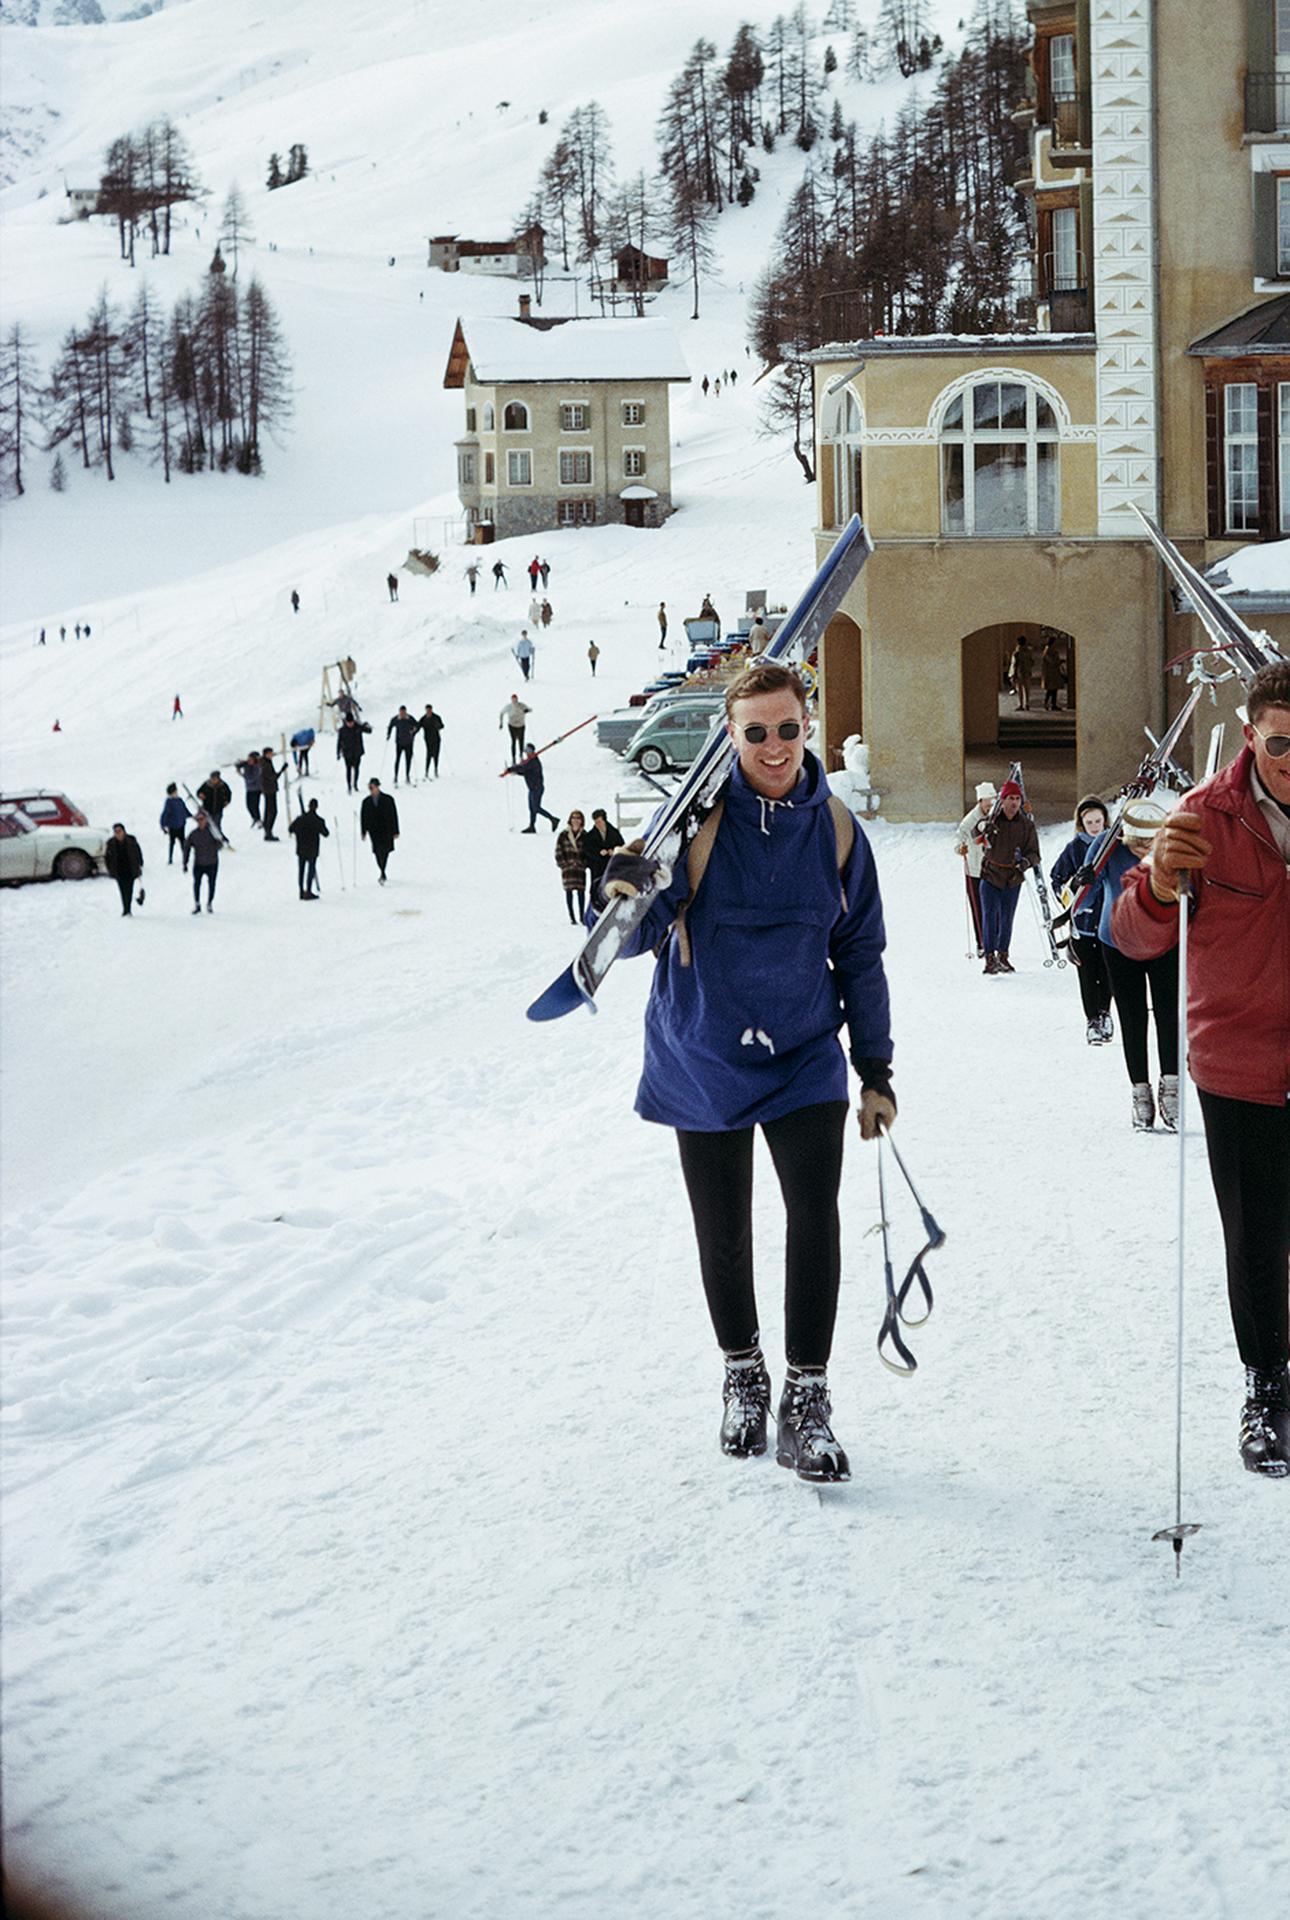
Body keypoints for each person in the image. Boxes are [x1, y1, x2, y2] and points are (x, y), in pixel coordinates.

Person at [602, 662, 894, 1484]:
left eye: (787, 729)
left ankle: (807, 1400)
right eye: (755, 731)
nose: (773, 746)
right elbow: (633, 937)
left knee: (814, 1217)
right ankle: (743, 1376)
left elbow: (860, 954)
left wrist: (874, 1067)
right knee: (722, 1228)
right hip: (702, 1052)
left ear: (809, 729)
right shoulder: (691, 823)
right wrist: (621, 889)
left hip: (802, 1053)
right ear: (730, 736)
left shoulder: (836, 831)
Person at [1112, 659, 1290, 1475]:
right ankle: (1266, 1389)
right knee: (1255, 1240)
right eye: (1280, 744)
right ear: (1251, 735)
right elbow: (1131, 936)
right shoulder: (1203, 816)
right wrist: (1157, 882)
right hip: (1238, 1064)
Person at [1085, 801, 1178, 1129]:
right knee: (1133, 1017)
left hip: (1164, 940)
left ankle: (1171, 1087)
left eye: (1149, 843)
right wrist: (1086, 878)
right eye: (1137, 844)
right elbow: (1083, 897)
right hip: (1118, 941)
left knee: (1168, 1014)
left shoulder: (1171, 847)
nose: (1142, 850)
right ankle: (1141, 1092)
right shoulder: (1107, 845)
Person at [1049, 796, 1115, 1045]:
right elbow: (1057, 879)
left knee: (1108, 971)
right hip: (1083, 925)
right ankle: (1092, 1020)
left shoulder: (1113, 845)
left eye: (1098, 821)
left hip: (1109, 921)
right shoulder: (1075, 849)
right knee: (1087, 973)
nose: (1095, 827)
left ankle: (1105, 1013)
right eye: (1090, 822)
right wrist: (1073, 889)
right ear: (1081, 823)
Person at [978, 779, 1039, 973]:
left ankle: (1003, 955)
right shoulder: (992, 821)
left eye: (1017, 799)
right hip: (991, 875)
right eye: (1010, 798)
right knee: (989, 916)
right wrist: (984, 829)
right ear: (1002, 800)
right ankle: (989, 957)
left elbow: (1035, 853)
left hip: (1013, 878)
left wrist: (1026, 862)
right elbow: (975, 832)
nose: (1014, 803)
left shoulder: (1027, 825)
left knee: (1007, 918)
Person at [953, 780, 996, 959]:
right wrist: (960, 848)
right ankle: (982, 943)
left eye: (992, 802)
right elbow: (959, 838)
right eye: (987, 803)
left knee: (993, 908)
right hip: (975, 870)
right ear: (980, 801)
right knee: (978, 908)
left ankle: (994, 942)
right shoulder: (970, 820)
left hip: (993, 869)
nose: (989, 806)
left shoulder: (995, 816)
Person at [360, 778, 399, 883]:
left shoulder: (388, 800)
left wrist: (396, 830)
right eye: (370, 788)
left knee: (385, 850)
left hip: (386, 829)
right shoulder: (366, 802)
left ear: (377, 787)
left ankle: (382, 869)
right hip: (374, 830)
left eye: (372, 787)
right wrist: (363, 831)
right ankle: (382, 870)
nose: (371, 790)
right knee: (377, 851)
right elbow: (363, 817)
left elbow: (393, 815)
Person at [289, 798, 329, 899]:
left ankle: (301, 891)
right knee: (310, 870)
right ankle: (308, 890)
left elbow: (290, 829)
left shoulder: (300, 819)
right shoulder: (319, 821)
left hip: (301, 848)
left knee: (301, 871)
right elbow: (326, 833)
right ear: (316, 807)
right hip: (312, 849)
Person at [583, 807, 625, 902]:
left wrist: (613, 851)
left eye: (599, 822)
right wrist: (598, 852)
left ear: (604, 820)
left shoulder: (614, 833)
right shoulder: (590, 836)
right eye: (596, 822)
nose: (598, 824)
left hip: (612, 866)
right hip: (597, 867)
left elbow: (622, 846)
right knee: (597, 889)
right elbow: (587, 850)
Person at [554, 811, 589, 923]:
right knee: (569, 892)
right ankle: (572, 917)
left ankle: (582, 916)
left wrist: (584, 863)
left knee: (581, 892)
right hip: (568, 868)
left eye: (578, 818)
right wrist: (563, 864)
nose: (576, 820)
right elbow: (558, 851)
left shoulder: (585, 835)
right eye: (574, 818)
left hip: (579, 868)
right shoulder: (563, 835)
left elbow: (588, 851)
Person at [514, 747, 558, 833]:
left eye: (528, 751)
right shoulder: (529, 762)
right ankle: (532, 826)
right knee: (531, 808)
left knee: (536, 808)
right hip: (532, 788)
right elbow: (525, 771)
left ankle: (553, 819)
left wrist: (512, 769)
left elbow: (523, 768)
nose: (527, 753)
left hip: (537, 788)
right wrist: (515, 771)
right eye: (526, 751)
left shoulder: (534, 762)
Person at [104, 823, 144, 916]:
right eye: (116, 832)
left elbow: (138, 852)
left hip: (130, 869)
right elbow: (107, 857)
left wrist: (140, 864)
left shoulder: (131, 840)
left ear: (124, 831)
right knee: (122, 890)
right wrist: (110, 869)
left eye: (119, 831)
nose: (118, 833)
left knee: (129, 890)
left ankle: (128, 909)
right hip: (118, 870)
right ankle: (125, 909)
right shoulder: (111, 843)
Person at [186, 810, 221, 913]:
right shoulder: (194, 834)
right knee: (197, 884)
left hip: (212, 863)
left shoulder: (213, 832)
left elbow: (221, 844)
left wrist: (219, 841)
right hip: (199, 863)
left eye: (202, 819)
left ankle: (209, 903)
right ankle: (197, 904)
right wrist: (185, 862)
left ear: (206, 820)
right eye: (198, 820)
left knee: (212, 884)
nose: (200, 822)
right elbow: (187, 848)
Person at [159, 784, 191, 867]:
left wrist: (191, 815)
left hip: (181, 825)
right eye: (174, 792)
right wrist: (163, 825)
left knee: (183, 842)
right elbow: (165, 814)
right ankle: (170, 858)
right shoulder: (169, 802)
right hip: (173, 827)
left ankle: (185, 858)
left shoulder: (180, 800)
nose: (175, 793)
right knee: (172, 843)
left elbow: (184, 810)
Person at [387, 705, 419, 785]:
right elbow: (390, 726)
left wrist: (413, 732)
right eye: (401, 713)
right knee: (397, 759)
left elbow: (417, 726)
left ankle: (407, 776)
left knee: (408, 760)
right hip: (399, 742)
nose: (402, 714)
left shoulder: (410, 718)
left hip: (409, 742)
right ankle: (396, 776)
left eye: (404, 713)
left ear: (406, 712)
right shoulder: (396, 719)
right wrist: (388, 734)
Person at [337, 713, 366, 793]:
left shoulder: (358, 727)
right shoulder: (342, 730)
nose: (350, 724)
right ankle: (349, 785)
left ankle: (355, 784)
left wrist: (365, 725)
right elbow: (339, 742)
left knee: (356, 769)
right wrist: (338, 752)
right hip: (347, 753)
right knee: (348, 769)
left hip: (357, 752)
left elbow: (368, 730)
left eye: (351, 722)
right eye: (348, 723)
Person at [500, 694, 530, 764]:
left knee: (521, 741)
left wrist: (527, 710)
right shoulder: (509, 707)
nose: (514, 701)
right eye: (513, 699)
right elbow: (501, 713)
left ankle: (521, 755)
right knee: (513, 741)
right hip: (512, 726)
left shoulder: (521, 705)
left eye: (515, 699)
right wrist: (501, 723)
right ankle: (513, 758)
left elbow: (529, 709)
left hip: (521, 726)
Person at [235, 751, 263, 826]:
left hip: (256, 789)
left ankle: (258, 819)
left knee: (255, 805)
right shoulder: (247, 765)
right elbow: (240, 765)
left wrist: (241, 774)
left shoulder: (257, 767)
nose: (249, 761)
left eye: (251, 759)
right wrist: (238, 765)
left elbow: (251, 778)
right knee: (249, 805)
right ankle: (255, 818)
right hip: (249, 789)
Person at [1008, 635, 1034, 713]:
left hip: (1019, 673)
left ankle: (1021, 704)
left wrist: (1013, 675)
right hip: (1027, 672)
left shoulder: (1017, 653)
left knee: (1020, 690)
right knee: (1027, 689)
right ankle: (1027, 704)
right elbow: (1032, 662)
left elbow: (1015, 665)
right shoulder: (1028, 651)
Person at [259, 749, 281, 840]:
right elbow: (273, 777)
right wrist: (282, 770)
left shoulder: (265, 762)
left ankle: (267, 831)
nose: (272, 755)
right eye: (271, 753)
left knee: (268, 810)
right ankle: (268, 831)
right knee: (272, 811)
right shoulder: (266, 765)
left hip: (268, 789)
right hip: (269, 789)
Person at [419, 703, 444, 778]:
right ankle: (426, 771)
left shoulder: (436, 717)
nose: (428, 711)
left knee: (436, 754)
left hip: (436, 738)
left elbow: (442, 725)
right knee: (429, 754)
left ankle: (436, 769)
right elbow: (418, 726)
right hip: (428, 739)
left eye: (429, 710)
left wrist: (438, 726)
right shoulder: (423, 719)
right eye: (427, 710)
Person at [1041, 637, 1065, 712]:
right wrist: (1059, 662)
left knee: (1053, 689)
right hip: (1050, 673)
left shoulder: (1051, 650)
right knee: (1051, 689)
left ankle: (1052, 704)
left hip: (1053, 672)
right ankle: (1047, 703)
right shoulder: (1048, 651)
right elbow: (1051, 661)